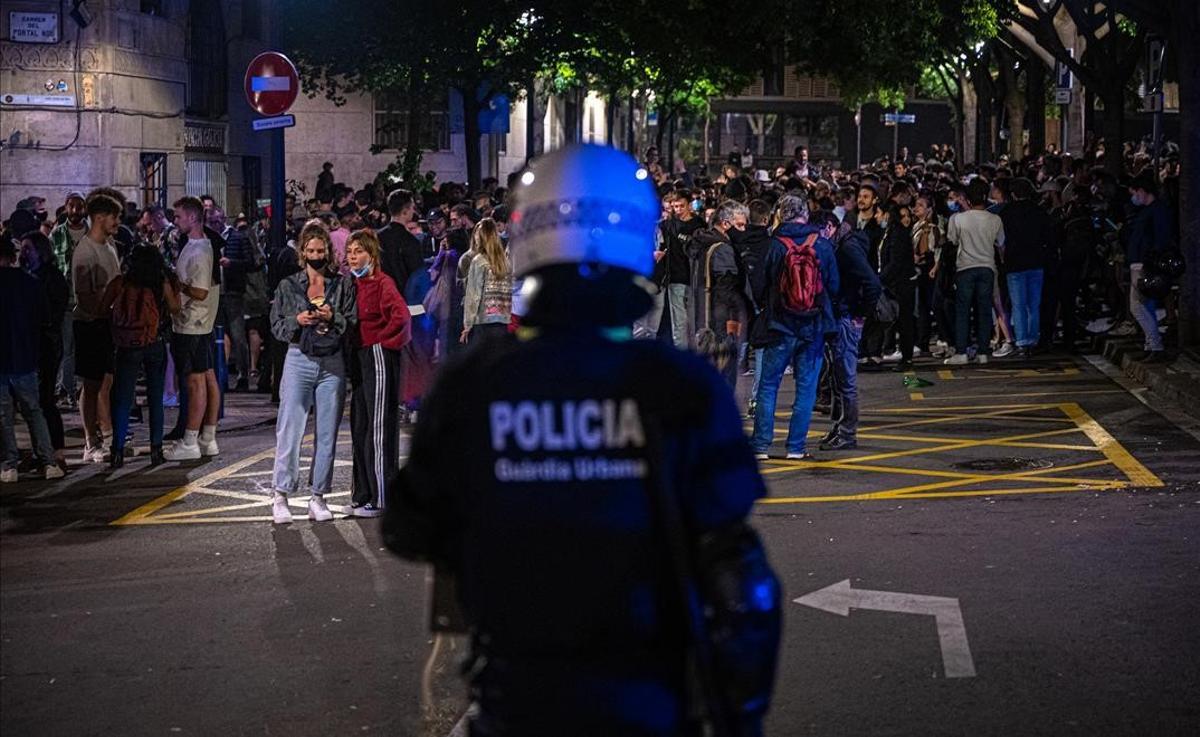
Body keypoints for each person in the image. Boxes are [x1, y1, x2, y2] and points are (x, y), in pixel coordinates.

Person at [382, 143, 781, 737]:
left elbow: (409, 528)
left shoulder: (474, 382)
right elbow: (741, 586)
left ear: (528, 235)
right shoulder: (680, 386)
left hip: (517, 702)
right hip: (648, 704)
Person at [268, 221, 357, 524]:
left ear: (329, 252)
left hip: (332, 362)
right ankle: (280, 495)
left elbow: (351, 321)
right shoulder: (288, 286)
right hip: (298, 359)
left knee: (327, 433)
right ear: (302, 253)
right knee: (290, 429)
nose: (316, 255)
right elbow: (277, 327)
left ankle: (318, 497)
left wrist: (335, 317)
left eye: (321, 250)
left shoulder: (342, 283)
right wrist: (298, 320)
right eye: (311, 250)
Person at [750, 193, 840, 460]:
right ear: (805, 213)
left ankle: (761, 446)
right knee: (806, 388)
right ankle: (796, 448)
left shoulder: (774, 244)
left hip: (780, 324)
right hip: (813, 325)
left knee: (768, 386)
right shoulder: (822, 245)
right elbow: (834, 285)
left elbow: (759, 285)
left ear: (781, 213)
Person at [345, 229, 410, 516]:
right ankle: (363, 492)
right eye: (349, 252)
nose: (352, 257)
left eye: (358, 251)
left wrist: (382, 343)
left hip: (377, 355)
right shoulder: (351, 285)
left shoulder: (384, 283)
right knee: (360, 426)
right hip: (358, 358)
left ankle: (383, 497)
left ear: (371, 255)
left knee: (379, 427)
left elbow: (401, 317)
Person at [99, 246, 180, 468]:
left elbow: (102, 309)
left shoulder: (121, 283)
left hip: (126, 346)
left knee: (123, 399)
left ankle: (117, 451)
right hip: (154, 343)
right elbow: (175, 308)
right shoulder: (159, 283)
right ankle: (156, 449)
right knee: (155, 399)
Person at [163, 197, 223, 461]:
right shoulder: (201, 246)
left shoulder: (199, 251)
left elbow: (199, 291)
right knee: (207, 377)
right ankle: (207, 437)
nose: (175, 221)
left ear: (192, 218)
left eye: (178, 217)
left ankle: (190, 440)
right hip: (199, 323)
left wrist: (176, 285)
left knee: (195, 381)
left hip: (192, 324)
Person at [1, 232, 63, 482]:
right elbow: (45, 318)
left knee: (4, 415)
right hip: (25, 355)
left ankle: (9, 465)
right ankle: (48, 462)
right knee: (33, 410)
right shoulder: (30, 283)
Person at [822, 212, 881, 451]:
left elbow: (872, 284)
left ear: (829, 227)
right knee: (838, 378)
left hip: (848, 318)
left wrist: (860, 316)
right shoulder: (843, 245)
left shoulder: (847, 248)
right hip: (843, 316)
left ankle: (847, 432)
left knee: (846, 379)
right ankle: (839, 427)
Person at [72, 193, 123, 462]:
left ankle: (107, 435)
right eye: (114, 217)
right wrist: (113, 296)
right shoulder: (85, 252)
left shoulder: (110, 244)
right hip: (90, 324)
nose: (118, 222)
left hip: (108, 324)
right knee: (92, 384)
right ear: (100, 217)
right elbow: (86, 299)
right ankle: (92, 442)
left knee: (106, 381)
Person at [19, 231, 70, 469]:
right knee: (33, 401)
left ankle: (56, 451)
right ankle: (42, 449)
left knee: (46, 400)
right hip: (32, 345)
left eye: (28, 248)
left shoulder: (51, 277)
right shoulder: (28, 276)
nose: (24, 253)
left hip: (47, 345)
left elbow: (52, 314)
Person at [944, 179, 1005, 365]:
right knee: (984, 310)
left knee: (962, 311)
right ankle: (983, 352)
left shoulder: (958, 219)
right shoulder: (995, 219)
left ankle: (961, 352)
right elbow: (1001, 243)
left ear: (968, 198)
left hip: (965, 268)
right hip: (987, 267)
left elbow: (952, 240)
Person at [999, 178, 1054, 356]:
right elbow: (1048, 236)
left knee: (1018, 304)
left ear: (1013, 194)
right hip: (1036, 262)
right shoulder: (1039, 211)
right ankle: (1033, 338)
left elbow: (1001, 240)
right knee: (1034, 304)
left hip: (1014, 262)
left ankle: (1022, 341)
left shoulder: (1006, 212)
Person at [1125, 173, 1171, 362]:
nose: (1134, 197)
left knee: (1137, 306)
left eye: (1135, 192)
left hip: (1144, 263)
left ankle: (1155, 343)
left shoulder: (1155, 211)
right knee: (1145, 305)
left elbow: (1159, 239)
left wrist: (1149, 259)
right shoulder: (1150, 211)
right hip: (1140, 261)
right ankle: (1150, 344)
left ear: (1142, 191)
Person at [50, 191, 87, 406]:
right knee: (68, 348)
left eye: (79, 206)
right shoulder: (56, 235)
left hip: (90, 300)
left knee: (85, 347)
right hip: (67, 301)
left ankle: (81, 391)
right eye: (71, 206)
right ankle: (68, 391)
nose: (75, 211)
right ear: (65, 207)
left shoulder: (93, 234)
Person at [460, 218, 513, 344]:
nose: (476, 239)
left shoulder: (478, 261)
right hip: (503, 321)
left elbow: (474, 295)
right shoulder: (506, 262)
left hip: (483, 322)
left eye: (477, 235)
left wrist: (467, 325)